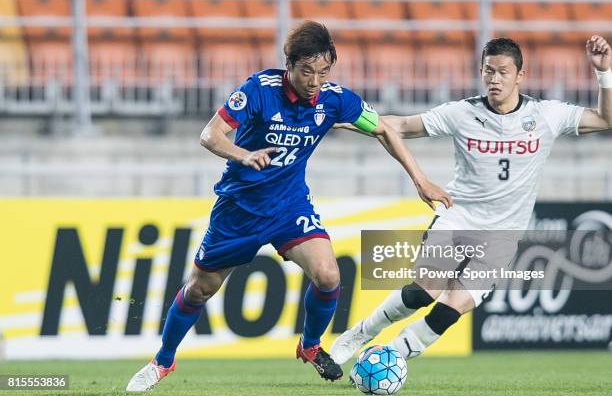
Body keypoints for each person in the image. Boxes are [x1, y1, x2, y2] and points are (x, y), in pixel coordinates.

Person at [126, 20, 451, 391]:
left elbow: (382, 129)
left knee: (329, 276)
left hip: (288, 206)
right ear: (290, 65)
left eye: (323, 72)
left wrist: (420, 179)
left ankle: (310, 345)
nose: (315, 81)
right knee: (200, 289)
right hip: (240, 209)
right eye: (307, 71)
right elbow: (210, 134)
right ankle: (162, 361)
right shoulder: (258, 90)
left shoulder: (335, 100)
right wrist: (243, 155)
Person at [330, 35, 611, 365]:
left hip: (503, 234)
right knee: (424, 291)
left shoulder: (546, 115)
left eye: (503, 72)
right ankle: (362, 332)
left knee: (453, 307)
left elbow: (606, 119)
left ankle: (392, 357)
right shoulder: (462, 113)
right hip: (459, 217)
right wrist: (335, 119)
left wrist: (604, 73)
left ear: (520, 75)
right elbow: (401, 126)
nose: (495, 79)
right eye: (488, 71)